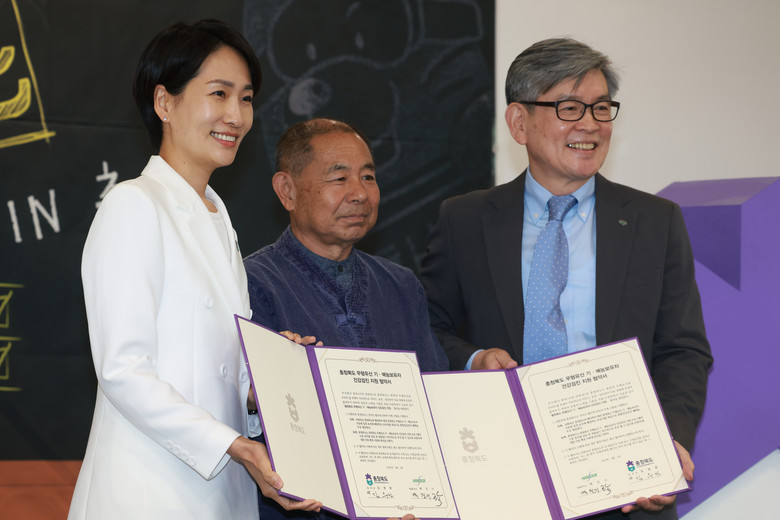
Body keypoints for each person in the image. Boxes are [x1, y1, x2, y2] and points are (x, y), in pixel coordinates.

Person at [418, 38, 713, 520]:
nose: (590, 124)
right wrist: (473, 358)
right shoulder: (464, 220)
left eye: (601, 108)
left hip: (625, 481)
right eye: (569, 107)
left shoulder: (654, 220)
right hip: (500, 475)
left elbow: (683, 348)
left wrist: (669, 439)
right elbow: (427, 329)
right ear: (519, 122)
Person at [68, 20, 321, 519]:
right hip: (148, 490)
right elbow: (123, 369)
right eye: (219, 93)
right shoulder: (133, 205)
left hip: (223, 492)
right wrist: (231, 444)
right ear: (165, 103)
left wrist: (266, 380)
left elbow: (220, 369)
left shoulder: (218, 217)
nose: (236, 116)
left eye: (246, 98)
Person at [243, 117, 449, 519]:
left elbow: (434, 399)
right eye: (339, 179)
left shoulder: (401, 285)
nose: (359, 194)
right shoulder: (253, 284)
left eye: (368, 177)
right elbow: (243, 412)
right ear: (287, 191)